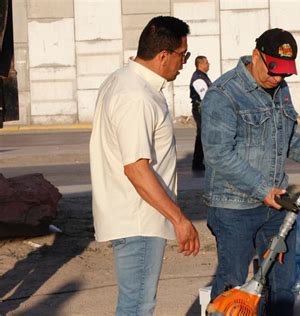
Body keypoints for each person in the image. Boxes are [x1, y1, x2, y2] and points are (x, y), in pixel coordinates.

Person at [201, 28, 300, 315]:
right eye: (274, 71)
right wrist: (263, 190)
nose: (279, 79)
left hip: (275, 206)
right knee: (233, 286)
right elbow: (218, 154)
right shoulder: (223, 94)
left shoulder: (280, 88)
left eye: (285, 74)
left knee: (282, 286)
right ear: (255, 57)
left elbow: (287, 138)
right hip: (233, 208)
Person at [89, 16, 200, 316]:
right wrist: (179, 220)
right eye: (183, 56)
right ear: (164, 55)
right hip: (140, 218)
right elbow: (136, 168)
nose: (183, 63)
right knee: (137, 306)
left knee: (135, 303)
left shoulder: (122, 80)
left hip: (135, 215)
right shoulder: (136, 96)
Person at [189, 55, 212, 171]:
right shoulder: (198, 79)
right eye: (207, 63)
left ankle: (199, 161)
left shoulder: (202, 76)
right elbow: (206, 97)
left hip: (202, 109)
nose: (209, 65)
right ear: (201, 64)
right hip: (200, 109)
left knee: (203, 134)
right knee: (202, 135)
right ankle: (197, 162)